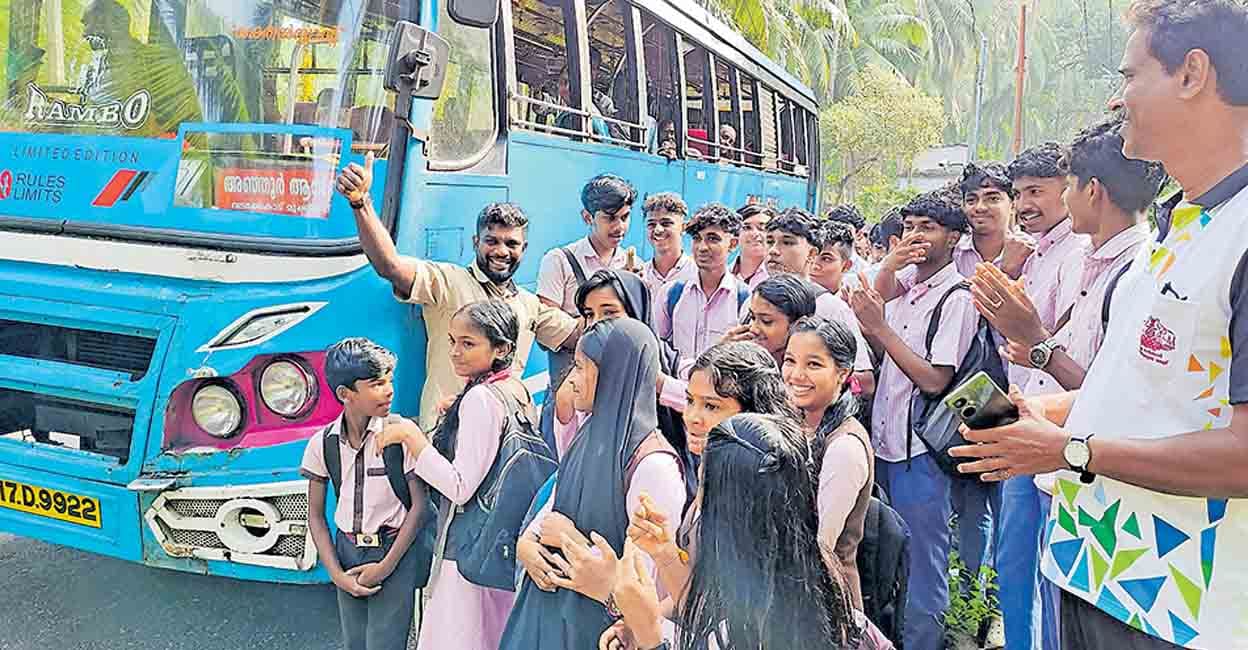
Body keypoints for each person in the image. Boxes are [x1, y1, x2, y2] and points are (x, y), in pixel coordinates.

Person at [952, 4, 1248, 643]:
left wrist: (1069, 449)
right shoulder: (1180, 230)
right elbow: (1148, 396)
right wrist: (1045, 417)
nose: (1120, 99)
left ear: (1193, 73)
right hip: (1095, 572)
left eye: (1131, 75)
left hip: (1182, 607)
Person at [970, 116, 1166, 650]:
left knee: (1059, 604)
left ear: (1090, 191)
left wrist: (1036, 343)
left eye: (1061, 185)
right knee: (1027, 579)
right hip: (1049, 443)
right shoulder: (1097, 262)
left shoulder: (1136, 272)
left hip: (1077, 463)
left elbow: (1115, 395)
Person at [603, 414, 895, 650]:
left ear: (728, 515)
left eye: (705, 484)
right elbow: (706, 612)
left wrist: (651, 637)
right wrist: (665, 553)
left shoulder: (757, 630)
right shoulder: (821, 589)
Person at [335, 157, 579, 431]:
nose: (501, 251)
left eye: (511, 244)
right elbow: (389, 265)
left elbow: (580, 335)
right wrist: (361, 202)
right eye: (491, 241)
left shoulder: (529, 305)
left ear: (524, 249)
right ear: (476, 242)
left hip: (503, 438)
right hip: (446, 437)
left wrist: (628, 287)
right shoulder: (448, 282)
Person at [848, 191, 982, 650]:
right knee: (885, 555)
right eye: (908, 227)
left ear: (954, 237)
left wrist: (882, 329)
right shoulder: (906, 288)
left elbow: (934, 378)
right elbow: (863, 304)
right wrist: (890, 264)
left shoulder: (956, 298)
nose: (916, 237)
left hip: (920, 450)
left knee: (924, 565)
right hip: (885, 443)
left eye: (927, 227)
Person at [501, 318, 686, 650]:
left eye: (582, 368)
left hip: (598, 633)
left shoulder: (653, 465)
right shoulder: (589, 435)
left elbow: (640, 581)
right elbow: (551, 510)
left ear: (615, 375)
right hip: (548, 620)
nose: (571, 381)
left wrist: (570, 540)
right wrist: (526, 545)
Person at [377, 301, 530, 650]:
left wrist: (413, 439)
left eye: (468, 343)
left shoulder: (481, 398)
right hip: (499, 544)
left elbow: (460, 487)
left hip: (466, 547)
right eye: (452, 341)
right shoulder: (515, 390)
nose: (455, 353)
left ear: (502, 348)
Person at [301, 338, 429, 650]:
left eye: (389, 380)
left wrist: (383, 568)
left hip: (394, 549)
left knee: (385, 642)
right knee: (355, 643)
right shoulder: (323, 443)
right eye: (376, 384)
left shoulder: (400, 434)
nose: (388, 390)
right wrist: (337, 575)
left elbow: (420, 507)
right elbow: (315, 517)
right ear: (345, 394)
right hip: (347, 552)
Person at [783, 315, 875, 609]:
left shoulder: (844, 447)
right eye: (790, 360)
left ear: (842, 373)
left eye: (813, 364)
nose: (796, 375)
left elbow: (821, 547)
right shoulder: (796, 424)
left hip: (823, 604)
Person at [754, 207, 875, 394]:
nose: (774, 251)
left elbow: (865, 382)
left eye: (787, 242)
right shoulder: (752, 302)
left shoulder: (830, 308)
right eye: (770, 242)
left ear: (812, 254)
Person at [538, 174, 636, 386]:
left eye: (625, 217)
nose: (620, 227)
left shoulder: (634, 264)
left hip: (616, 384)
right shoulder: (559, 260)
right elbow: (545, 328)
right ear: (587, 217)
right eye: (610, 218)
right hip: (570, 385)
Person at [653, 203, 744, 366]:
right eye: (697, 239)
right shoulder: (672, 293)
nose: (702, 247)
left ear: (733, 244)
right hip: (676, 388)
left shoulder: (744, 299)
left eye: (713, 239)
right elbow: (656, 346)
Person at [638, 192, 696, 306]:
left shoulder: (697, 274)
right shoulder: (640, 275)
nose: (658, 230)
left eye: (666, 223)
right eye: (651, 224)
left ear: (683, 228)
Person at [825, 205, 872, 286]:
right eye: (835, 228)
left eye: (846, 230)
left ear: (859, 235)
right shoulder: (813, 260)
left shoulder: (865, 271)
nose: (840, 233)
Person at [731, 203, 773, 291]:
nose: (755, 234)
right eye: (747, 228)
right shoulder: (723, 275)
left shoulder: (778, 277)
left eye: (762, 228)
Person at [811, 220, 857, 295]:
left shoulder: (852, 304)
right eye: (811, 255)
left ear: (846, 266)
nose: (814, 265)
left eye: (826, 259)